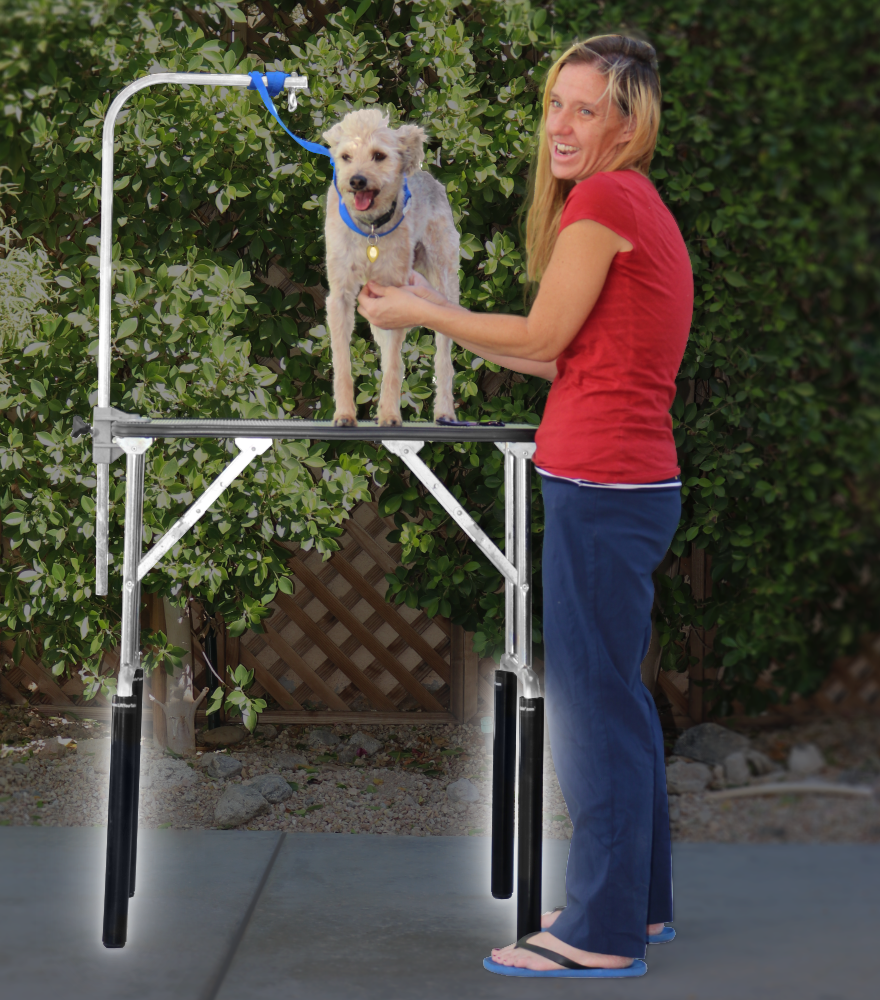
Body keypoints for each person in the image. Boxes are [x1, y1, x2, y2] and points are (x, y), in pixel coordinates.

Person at [357, 34, 692, 978]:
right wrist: (434, 300)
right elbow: (555, 357)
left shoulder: (608, 199)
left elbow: (543, 331)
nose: (562, 125)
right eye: (555, 105)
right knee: (616, 700)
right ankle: (640, 904)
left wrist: (424, 314)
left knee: (593, 710)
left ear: (629, 122)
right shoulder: (634, 205)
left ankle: (599, 932)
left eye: (586, 109)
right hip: (624, 483)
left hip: (604, 486)